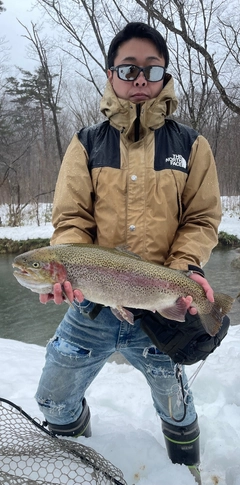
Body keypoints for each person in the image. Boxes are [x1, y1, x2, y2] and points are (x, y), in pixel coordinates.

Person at [36, 22, 222, 484]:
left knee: (175, 405)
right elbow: (71, 220)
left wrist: (185, 273)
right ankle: (75, 460)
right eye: (128, 68)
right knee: (52, 396)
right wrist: (69, 271)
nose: (140, 79)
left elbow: (201, 220)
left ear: (164, 77)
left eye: (151, 68)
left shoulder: (192, 145)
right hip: (92, 305)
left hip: (161, 306)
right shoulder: (85, 143)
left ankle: (185, 471)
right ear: (111, 75)